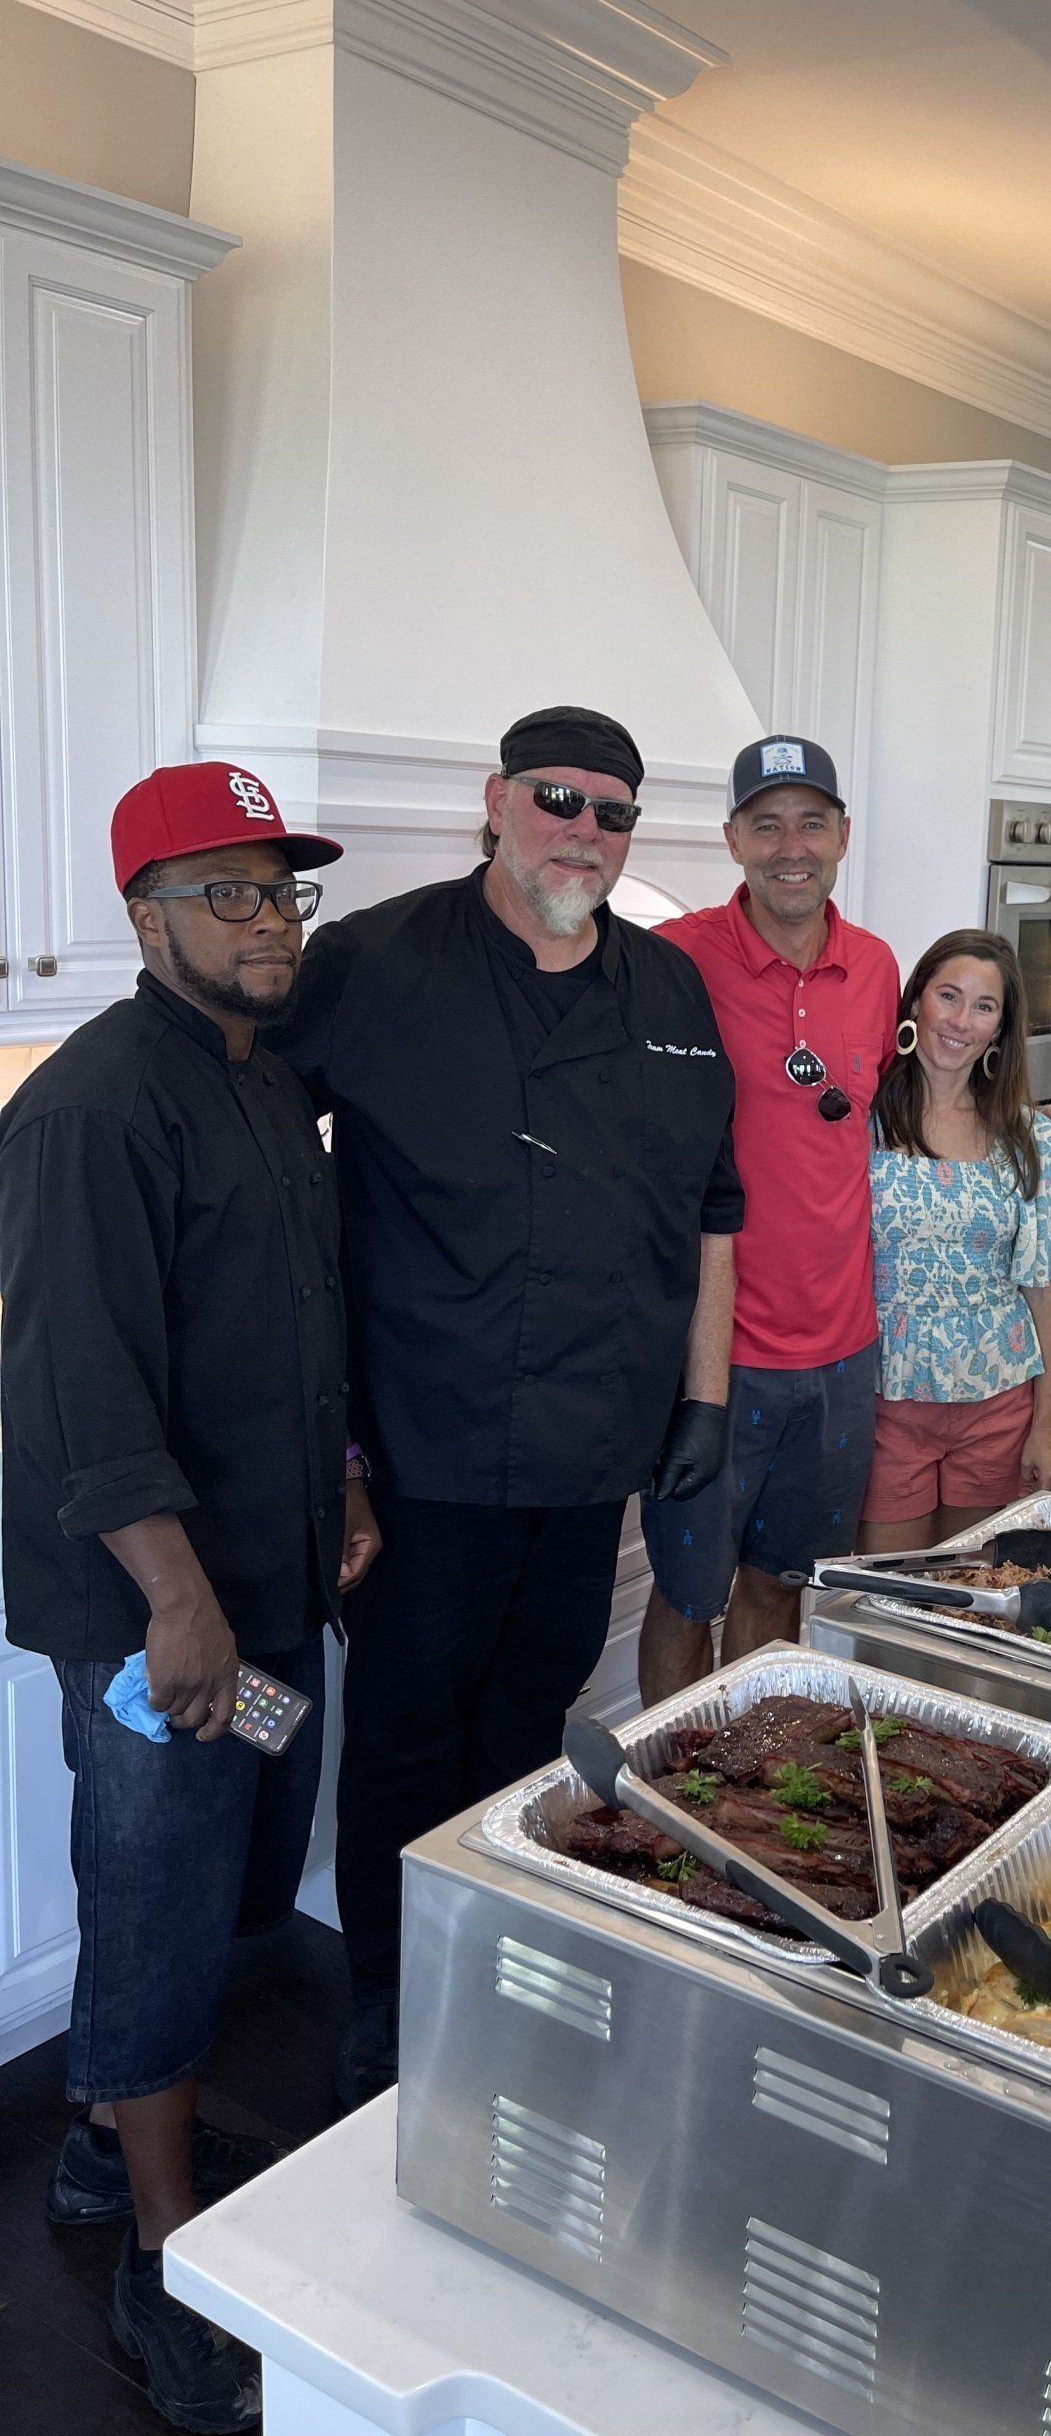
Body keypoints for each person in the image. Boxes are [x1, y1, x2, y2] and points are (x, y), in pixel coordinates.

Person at [277, 707, 743, 2110]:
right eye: (559, 800)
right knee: (407, 1739)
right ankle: (386, 1998)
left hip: (596, 1442)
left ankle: (494, 1951)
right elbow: (258, 1153)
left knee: (529, 1720)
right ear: (496, 801)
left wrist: (703, 1403)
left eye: (612, 812)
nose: (584, 832)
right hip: (417, 1447)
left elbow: (712, 1212)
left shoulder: (666, 993)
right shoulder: (372, 960)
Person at [0, 762, 380, 2434]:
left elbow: (289, 1323)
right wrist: (179, 1604)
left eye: (282, 891)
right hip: (159, 1613)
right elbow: (75, 1385)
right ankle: (172, 2268)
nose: (267, 920)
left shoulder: (260, 1078)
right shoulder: (91, 1107)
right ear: (143, 910)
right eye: (229, 891)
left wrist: (345, 1481)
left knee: (230, 1852)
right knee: (157, 1885)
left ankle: (104, 2144)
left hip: (267, 1575)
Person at [638, 740, 1051, 1700]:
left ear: (844, 836)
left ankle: (750, 1769)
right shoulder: (676, 958)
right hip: (716, 1352)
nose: (790, 845)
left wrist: (1035, 1127)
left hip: (849, 1364)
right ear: (732, 841)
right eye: (766, 824)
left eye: (812, 822)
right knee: (686, 1595)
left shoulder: (878, 968)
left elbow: (931, 1091)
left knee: (783, 1583)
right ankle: (659, 1789)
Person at [858, 930, 1051, 1550]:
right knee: (887, 1595)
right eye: (949, 996)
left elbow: (1047, 1295)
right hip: (885, 1402)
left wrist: (1047, 1426)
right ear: (916, 1003)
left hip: (999, 1406)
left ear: (999, 1030)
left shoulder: (1030, 1138)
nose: (961, 1021)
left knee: (972, 1595)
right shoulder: (860, 1122)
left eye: (984, 1007)